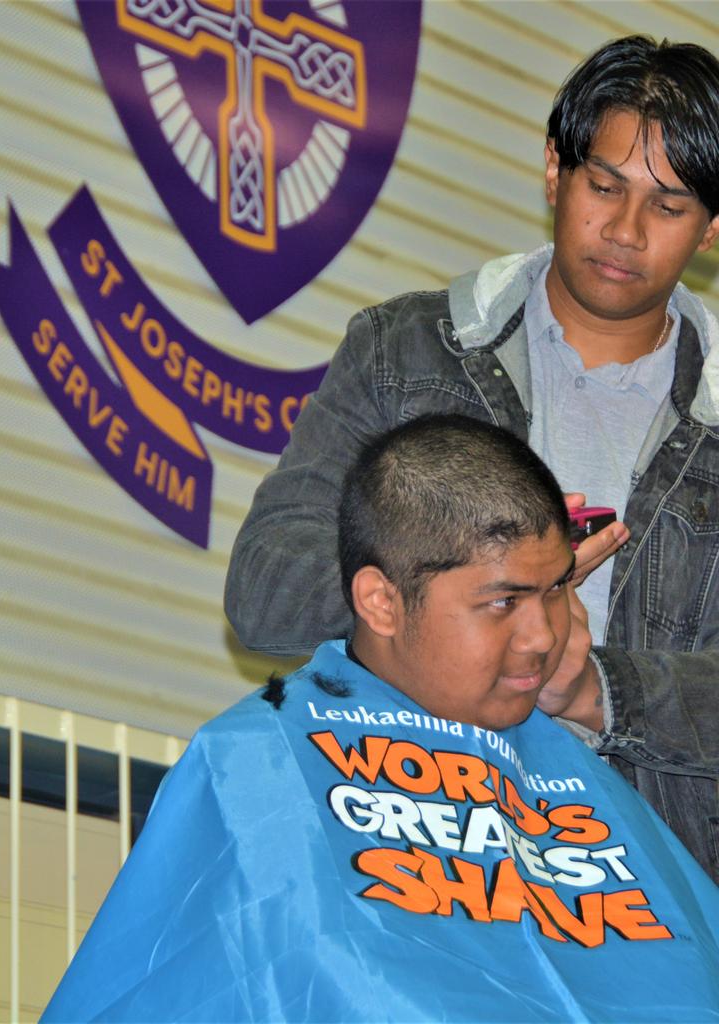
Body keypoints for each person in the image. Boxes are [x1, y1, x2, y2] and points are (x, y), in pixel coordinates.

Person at [224, 35, 719, 882]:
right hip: (411, 855)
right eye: (604, 186)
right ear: (554, 174)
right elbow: (264, 591)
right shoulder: (406, 350)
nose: (626, 231)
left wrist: (593, 688)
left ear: (713, 228)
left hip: (654, 903)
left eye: (668, 207)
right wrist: (461, 574)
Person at [44, 416, 719, 1022]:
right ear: (381, 602)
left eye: (556, 591)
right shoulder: (256, 757)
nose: (543, 636)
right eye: (503, 602)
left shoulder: (575, 771)